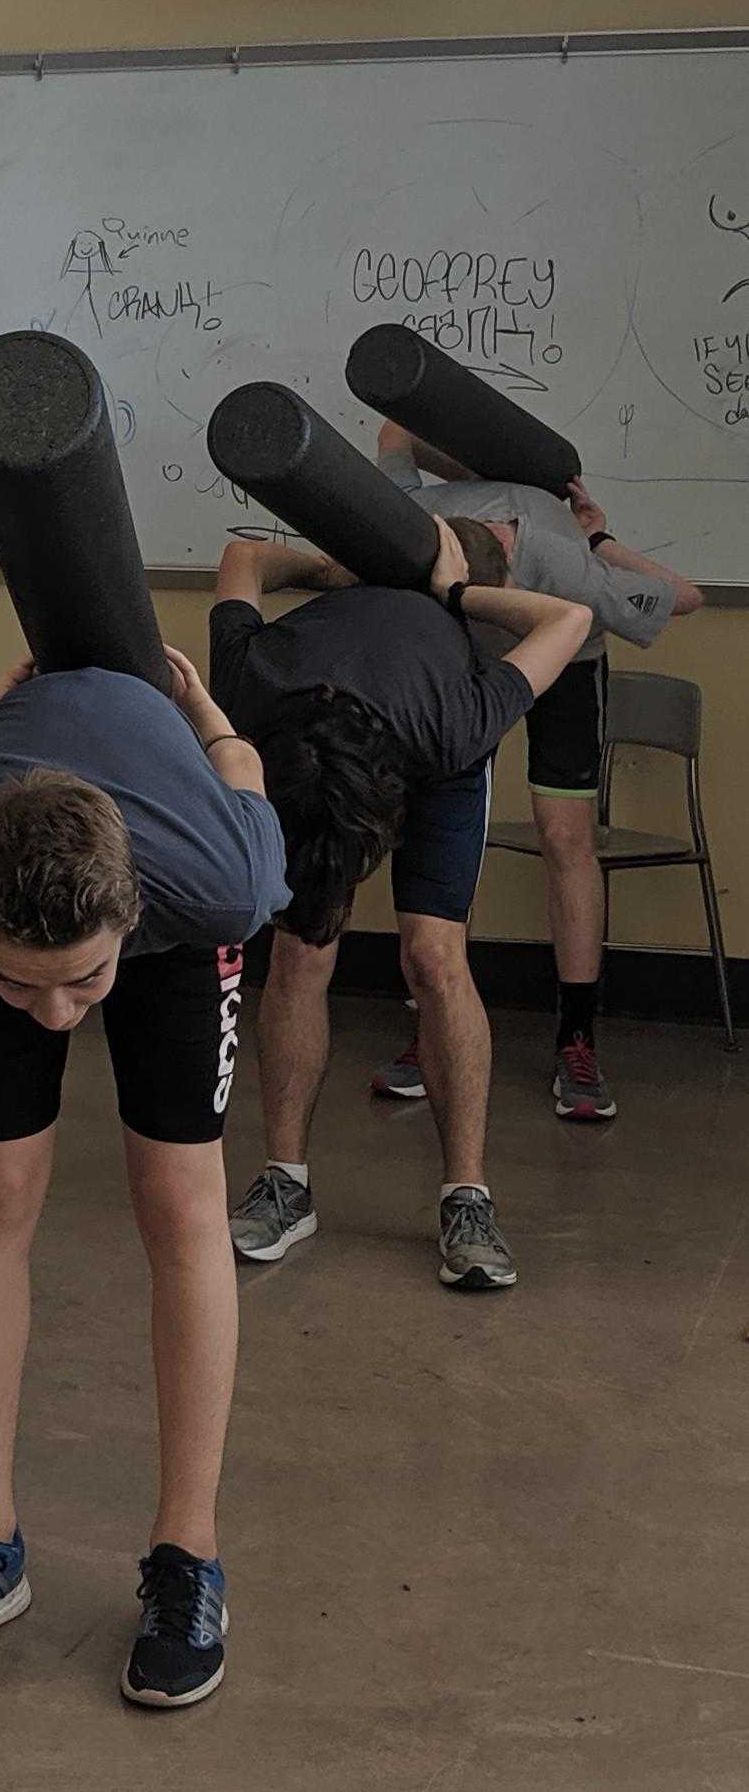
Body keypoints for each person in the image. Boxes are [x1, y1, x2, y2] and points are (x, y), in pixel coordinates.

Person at [0, 645, 288, 1714]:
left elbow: (240, 770)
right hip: (4, 812)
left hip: (170, 902)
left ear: (128, 916)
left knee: (178, 1203)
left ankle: (187, 1558)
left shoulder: (214, 878)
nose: (59, 1013)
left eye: (79, 982)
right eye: (24, 983)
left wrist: (199, 708)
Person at [213, 515, 592, 1294]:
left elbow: (571, 617)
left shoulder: (460, 719)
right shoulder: (253, 685)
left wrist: (457, 595)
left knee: (433, 955)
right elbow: (246, 554)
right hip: (314, 737)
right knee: (300, 944)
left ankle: (468, 1198)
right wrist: (331, 567)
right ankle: (285, 1184)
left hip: (432, 733)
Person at [366, 419, 702, 1123]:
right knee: (437, 824)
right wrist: (473, 464)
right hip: (466, 660)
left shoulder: (563, 559)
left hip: (569, 659)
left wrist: (600, 539)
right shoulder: (408, 522)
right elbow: (395, 430)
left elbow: (688, 596)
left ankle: (577, 1038)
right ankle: (434, 1023)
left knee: (564, 836)